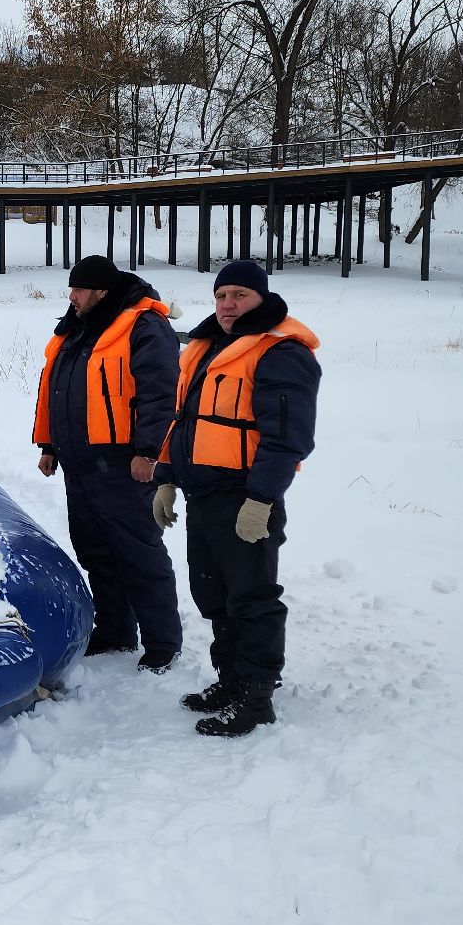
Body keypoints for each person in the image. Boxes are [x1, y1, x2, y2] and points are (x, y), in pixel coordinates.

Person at [154, 259, 321, 737]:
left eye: (240, 296)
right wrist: (166, 475)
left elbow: (287, 437)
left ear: (261, 298)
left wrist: (263, 498)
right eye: (222, 295)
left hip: (246, 496)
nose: (228, 304)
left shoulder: (280, 352)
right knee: (214, 595)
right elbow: (183, 418)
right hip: (203, 493)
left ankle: (256, 694)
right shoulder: (208, 347)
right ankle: (231, 680)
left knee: (252, 597)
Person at [34, 254, 183, 672]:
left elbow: (160, 394)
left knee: (139, 551)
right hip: (79, 462)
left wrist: (147, 452)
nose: (72, 296)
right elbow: (56, 390)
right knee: (95, 550)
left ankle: (163, 640)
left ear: (101, 291)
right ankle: (116, 630)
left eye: (78, 289)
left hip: (123, 464)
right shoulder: (76, 327)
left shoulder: (144, 326)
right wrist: (49, 444)